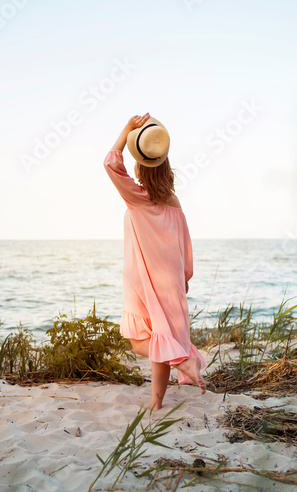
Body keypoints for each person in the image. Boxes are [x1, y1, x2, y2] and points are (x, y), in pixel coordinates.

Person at [103, 113, 206, 411]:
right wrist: (184, 279)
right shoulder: (174, 202)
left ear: (139, 166)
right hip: (172, 280)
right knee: (163, 336)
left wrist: (126, 129)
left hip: (141, 281)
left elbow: (111, 163)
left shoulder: (136, 197)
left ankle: (183, 359)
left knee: (140, 343)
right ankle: (156, 402)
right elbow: (185, 249)